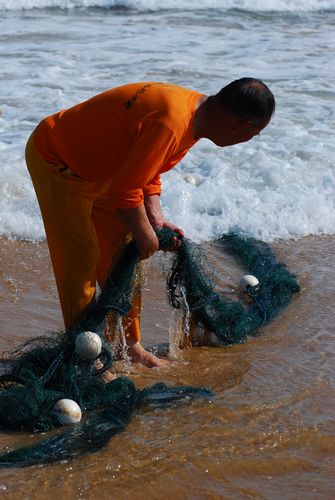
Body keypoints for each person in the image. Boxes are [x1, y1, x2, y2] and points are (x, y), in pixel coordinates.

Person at [25, 78, 275, 368]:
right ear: (242, 126)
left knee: (120, 258)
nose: (250, 139)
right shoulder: (172, 122)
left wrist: (153, 217)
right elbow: (125, 192)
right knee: (81, 258)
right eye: (254, 134)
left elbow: (147, 168)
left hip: (109, 172)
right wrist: (145, 234)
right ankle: (85, 354)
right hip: (59, 162)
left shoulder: (195, 115)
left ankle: (128, 346)